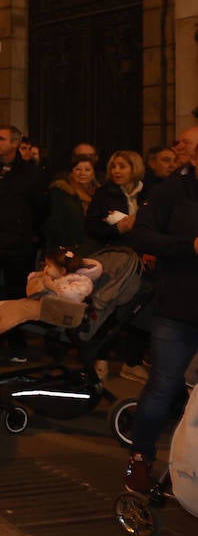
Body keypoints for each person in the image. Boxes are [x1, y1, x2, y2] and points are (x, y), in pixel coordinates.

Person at [122, 124, 198, 494]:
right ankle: (140, 459)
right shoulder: (171, 192)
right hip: (178, 310)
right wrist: (190, 246)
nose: (180, 147)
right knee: (163, 385)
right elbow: (142, 235)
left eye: (186, 142)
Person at [0, 125, 47, 362]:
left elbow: (41, 206)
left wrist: (27, 229)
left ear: (15, 143)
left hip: (16, 243)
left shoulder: (29, 173)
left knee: (16, 295)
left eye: (2, 139)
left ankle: (16, 341)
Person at [85, 150, 145, 249]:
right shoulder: (103, 193)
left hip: (145, 251)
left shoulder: (149, 192)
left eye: (122, 167)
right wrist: (117, 229)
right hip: (116, 251)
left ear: (135, 168)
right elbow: (91, 227)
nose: (116, 171)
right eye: (113, 167)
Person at [42, 157, 98, 255]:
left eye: (87, 170)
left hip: (92, 247)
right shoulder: (62, 191)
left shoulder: (98, 193)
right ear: (71, 172)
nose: (82, 173)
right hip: (67, 247)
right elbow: (54, 221)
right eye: (78, 169)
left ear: (93, 173)